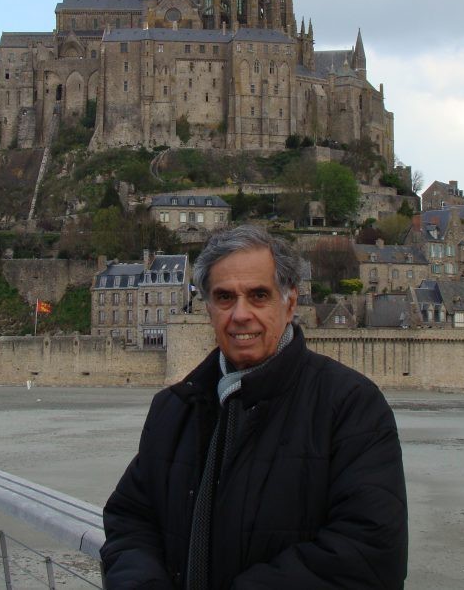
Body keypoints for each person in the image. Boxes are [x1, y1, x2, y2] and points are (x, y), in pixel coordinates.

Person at [101, 225, 408, 589]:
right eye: (225, 297)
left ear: (290, 301)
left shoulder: (351, 406)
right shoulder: (173, 409)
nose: (241, 314)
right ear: (208, 307)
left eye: (259, 295)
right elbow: (131, 520)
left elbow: (370, 553)